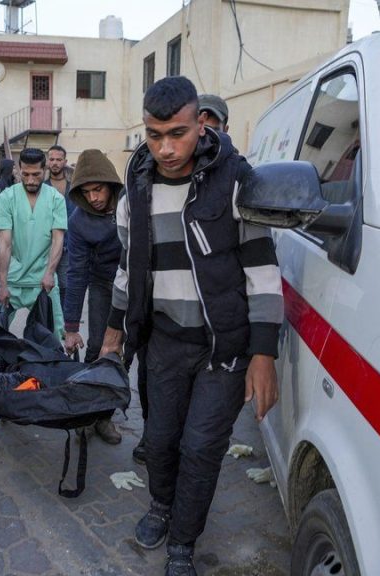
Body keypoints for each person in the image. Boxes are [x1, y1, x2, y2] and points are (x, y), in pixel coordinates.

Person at [100, 76, 282, 576]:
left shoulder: (237, 181)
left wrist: (263, 353)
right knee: (158, 441)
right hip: (162, 343)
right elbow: (127, 269)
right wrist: (112, 336)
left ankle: (183, 540)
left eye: (177, 133)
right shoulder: (134, 188)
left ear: (201, 123)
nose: (165, 148)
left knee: (200, 449)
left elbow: (263, 269)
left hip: (222, 348)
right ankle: (160, 506)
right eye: (154, 135)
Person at [60, 149, 125, 445]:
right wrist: (71, 326)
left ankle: (108, 415)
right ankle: (91, 414)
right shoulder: (78, 221)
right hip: (102, 286)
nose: (94, 198)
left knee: (126, 357)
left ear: (110, 184)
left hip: (136, 287)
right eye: (86, 192)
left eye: (98, 189)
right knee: (98, 349)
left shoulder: (131, 206)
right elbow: (76, 273)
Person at [0, 147, 67, 339]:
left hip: (44, 280)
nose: (31, 180)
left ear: (44, 170)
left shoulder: (56, 199)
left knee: (57, 336)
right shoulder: (6, 198)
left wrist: (50, 273)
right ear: (18, 170)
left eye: (36, 174)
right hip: (12, 279)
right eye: (25, 174)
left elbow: (58, 238)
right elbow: (5, 244)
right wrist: (2, 284)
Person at [44, 145, 75, 314]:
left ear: (65, 161)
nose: (55, 163)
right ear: (48, 161)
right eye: (52, 159)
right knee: (45, 285)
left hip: (69, 246)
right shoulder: (42, 188)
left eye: (59, 159)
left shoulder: (74, 189)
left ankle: (63, 322)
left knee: (65, 284)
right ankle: (46, 321)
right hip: (46, 246)